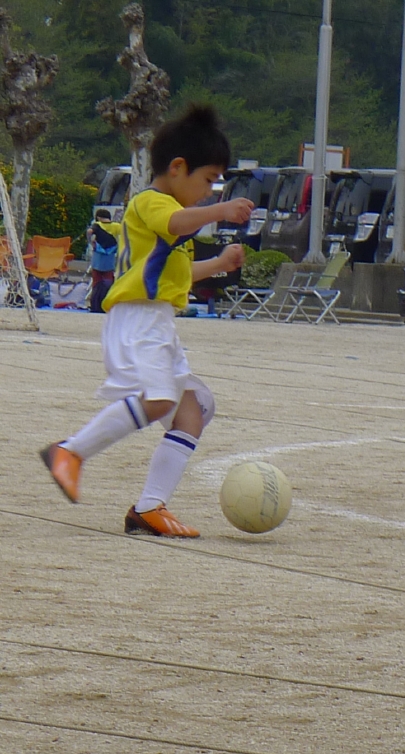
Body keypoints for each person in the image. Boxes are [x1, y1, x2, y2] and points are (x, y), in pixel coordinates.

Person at [40, 104, 254, 538]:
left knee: (194, 411)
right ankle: (70, 452)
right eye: (209, 180)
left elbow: (176, 274)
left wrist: (218, 264)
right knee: (158, 400)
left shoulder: (175, 223)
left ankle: (150, 506)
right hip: (137, 321)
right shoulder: (151, 203)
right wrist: (221, 211)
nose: (210, 192)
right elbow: (175, 221)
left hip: (157, 321)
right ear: (177, 168)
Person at [87, 208, 121, 313]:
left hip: (98, 256)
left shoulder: (97, 225)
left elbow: (89, 231)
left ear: (98, 217)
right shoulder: (116, 226)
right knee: (108, 280)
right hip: (110, 257)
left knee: (96, 281)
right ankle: (106, 304)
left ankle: (95, 304)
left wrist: (91, 242)